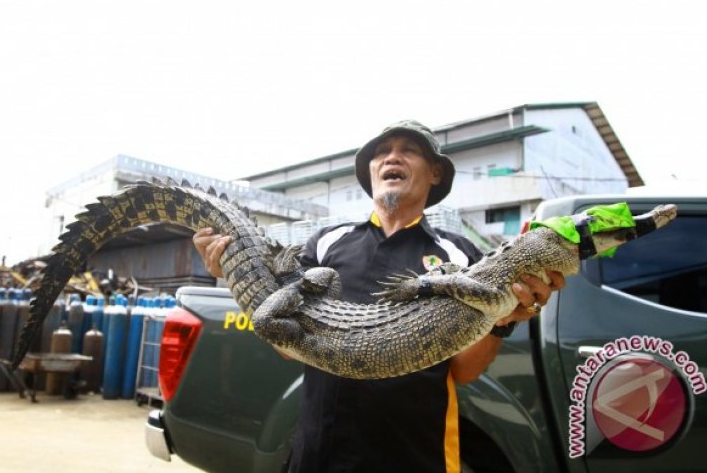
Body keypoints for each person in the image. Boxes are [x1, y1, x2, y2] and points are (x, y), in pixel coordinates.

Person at [193, 120, 565, 473]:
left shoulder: (460, 257)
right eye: (381, 151)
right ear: (370, 171)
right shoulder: (325, 243)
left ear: (435, 172)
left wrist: (500, 319)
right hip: (317, 455)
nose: (392, 157)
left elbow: (465, 372)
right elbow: (287, 345)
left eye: (409, 150)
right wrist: (237, 272)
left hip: (415, 457)